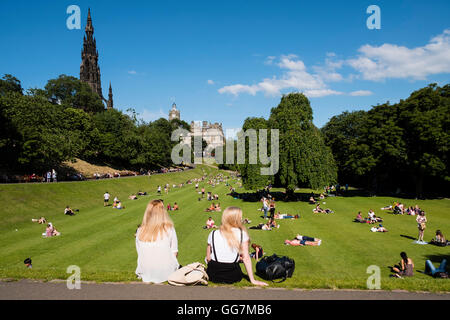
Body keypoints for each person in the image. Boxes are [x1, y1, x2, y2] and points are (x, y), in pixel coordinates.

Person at [205, 206, 267, 286]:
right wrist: (252, 280)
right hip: (232, 275)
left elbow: (208, 258)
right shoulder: (241, 233)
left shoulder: (213, 233)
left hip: (213, 275)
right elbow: (246, 258)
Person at [135, 199, 179, 283]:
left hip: (145, 269)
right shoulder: (169, 229)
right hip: (165, 270)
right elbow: (175, 252)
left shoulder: (140, 230)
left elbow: (140, 253)